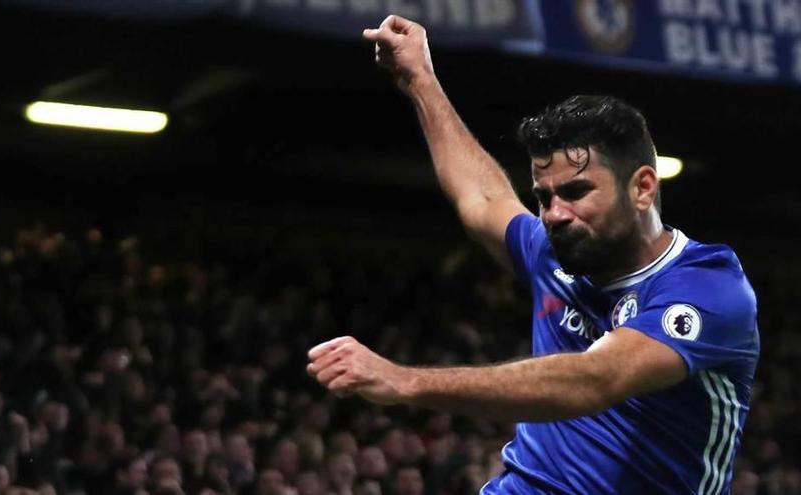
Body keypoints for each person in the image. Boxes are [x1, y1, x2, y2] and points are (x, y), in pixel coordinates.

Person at [306, 14, 760, 495]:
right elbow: (482, 199)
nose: (555, 214)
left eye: (576, 191)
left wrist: (404, 381)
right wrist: (421, 80)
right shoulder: (558, 253)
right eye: (544, 197)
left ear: (643, 187)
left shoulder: (707, 287)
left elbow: (593, 380)